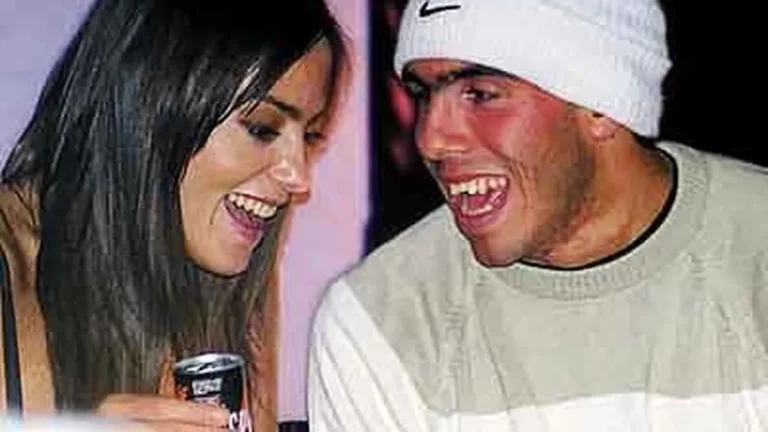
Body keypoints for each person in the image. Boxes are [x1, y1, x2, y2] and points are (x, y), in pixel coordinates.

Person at [308, 0, 768, 430]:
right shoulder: (381, 318)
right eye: (423, 94)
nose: (431, 139)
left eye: (480, 94)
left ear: (601, 105)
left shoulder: (755, 250)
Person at [0, 0, 348, 429]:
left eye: (310, 136)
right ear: (152, 98)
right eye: (262, 128)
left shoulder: (230, 262)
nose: (298, 177)